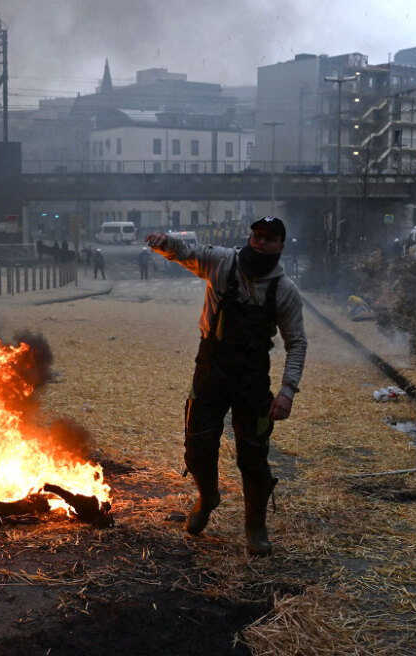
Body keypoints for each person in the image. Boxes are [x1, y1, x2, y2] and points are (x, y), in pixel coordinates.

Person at [145, 216, 306, 557]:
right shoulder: (221, 261)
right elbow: (188, 252)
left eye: (269, 238)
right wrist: (165, 242)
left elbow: (297, 343)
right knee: (198, 444)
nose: (260, 243)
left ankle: (255, 527)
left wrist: (287, 391)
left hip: (252, 378)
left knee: (254, 455)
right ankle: (207, 498)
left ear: (280, 245)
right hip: (211, 370)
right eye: (256, 235)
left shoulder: (285, 290)